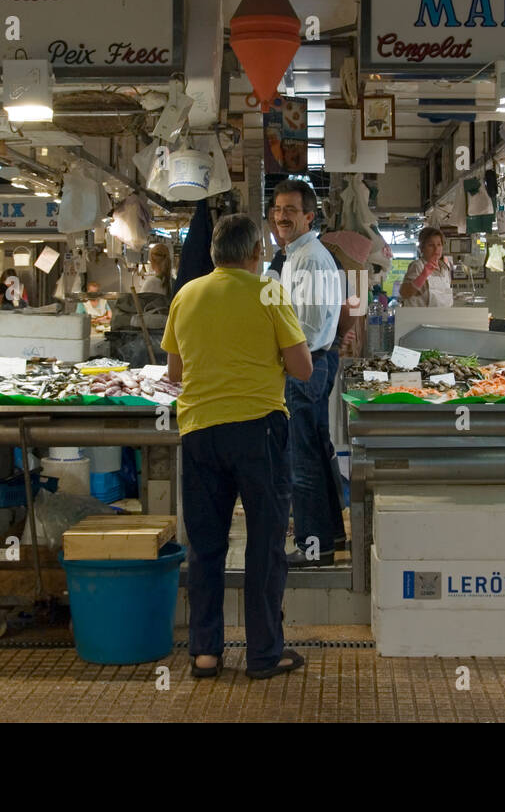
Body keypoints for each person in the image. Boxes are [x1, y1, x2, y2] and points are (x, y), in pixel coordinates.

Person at [161, 213, 312, 681]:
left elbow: (174, 373)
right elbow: (303, 368)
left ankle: (205, 653)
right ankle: (264, 653)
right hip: (258, 431)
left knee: (205, 545)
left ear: (213, 255)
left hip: (200, 431)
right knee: (264, 544)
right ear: (255, 254)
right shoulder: (268, 291)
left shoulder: (186, 295)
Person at [269, 179, 343, 568]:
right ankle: (330, 536)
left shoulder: (310, 258)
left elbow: (310, 327)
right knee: (314, 451)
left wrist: (280, 356)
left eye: (290, 211)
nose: (281, 216)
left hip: (306, 366)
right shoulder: (293, 255)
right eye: (278, 209)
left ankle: (314, 548)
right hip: (307, 364)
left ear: (309, 216)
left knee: (302, 462)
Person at [399, 227, 453, 307]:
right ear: (422, 248)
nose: (436, 249)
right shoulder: (417, 266)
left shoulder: (444, 268)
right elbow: (404, 293)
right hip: (421, 318)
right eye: (431, 245)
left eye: (439, 244)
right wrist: (423, 275)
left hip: (442, 317)